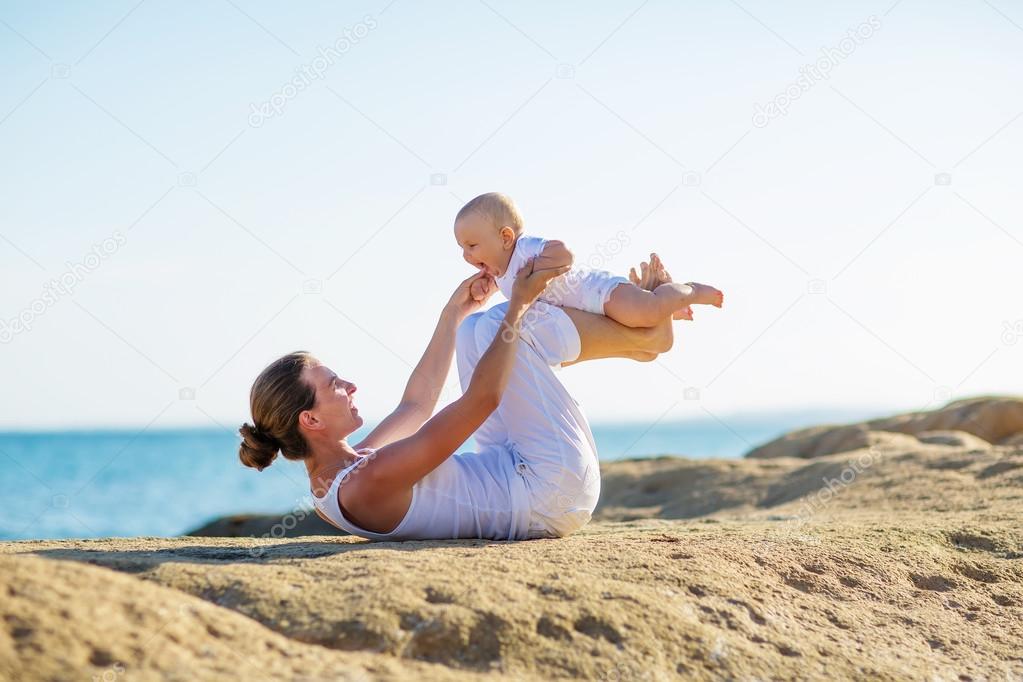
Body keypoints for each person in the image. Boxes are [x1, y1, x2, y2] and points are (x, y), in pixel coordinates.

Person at [238, 255, 678, 541]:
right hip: (551, 493)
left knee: (474, 329)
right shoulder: (366, 482)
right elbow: (481, 400)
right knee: (497, 329)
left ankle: (641, 339)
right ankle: (645, 332)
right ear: (309, 421)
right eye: (334, 385)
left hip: (518, 471)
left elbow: (417, 404)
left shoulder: (345, 473)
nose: (350, 386)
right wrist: (518, 304)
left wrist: (453, 312)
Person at [454, 192, 723, 326]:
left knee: (646, 311)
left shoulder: (525, 249)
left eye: (472, 245)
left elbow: (565, 254)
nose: (467, 255)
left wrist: (536, 270)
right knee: (642, 318)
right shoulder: (499, 273)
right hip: (585, 313)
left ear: (505, 237)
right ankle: (668, 305)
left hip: (598, 292)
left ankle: (692, 291)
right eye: (462, 249)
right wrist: (484, 286)